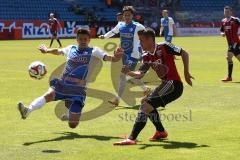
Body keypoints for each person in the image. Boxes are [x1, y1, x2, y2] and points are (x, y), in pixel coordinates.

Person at [17, 29, 123, 129]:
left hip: (78, 90)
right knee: (48, 95)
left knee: (73, 125)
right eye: (80, 39)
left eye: (85, 39)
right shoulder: (71, 48)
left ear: (89, 40)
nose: (83, 41)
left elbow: (110, 58)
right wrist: (47, 50)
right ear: (77, 39)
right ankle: (28, 110)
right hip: (62, 84)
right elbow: (58, 51)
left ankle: (69, 111)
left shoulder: (94, 51)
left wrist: (116, 57)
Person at [113, 28, 193, 145]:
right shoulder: (146, 56)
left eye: (141, 40)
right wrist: (128, 72)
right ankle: (161, 132)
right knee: (145, 102)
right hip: (166, 84)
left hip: (173, 84)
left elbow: (184, 53)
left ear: (150, 40)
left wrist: (186, 73)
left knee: (145, 106)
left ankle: (131, 138)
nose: (140, 43)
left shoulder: (165, 46)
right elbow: (139, 75)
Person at [99, 6, 150, 107]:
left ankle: (117, 99)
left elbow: (147, 37)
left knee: (123, 76)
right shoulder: (120, 25)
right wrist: (104, 36)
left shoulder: (138, 26)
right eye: (125, 15)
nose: (126, 17)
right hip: (125, 54)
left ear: (132, 16)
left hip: (134, 54)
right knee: (130, 75)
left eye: (129, 15)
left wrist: (146, 49)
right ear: (122, 15)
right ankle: (146, 89)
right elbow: (113, 32)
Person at [220, 6, 240, 82]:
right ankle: (229, 77)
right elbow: (221, 30)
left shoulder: (235, 20)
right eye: (225, 11)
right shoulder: (223, 21)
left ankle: (229, 77)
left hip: (235, 42)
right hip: (230, 43)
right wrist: (222, 33)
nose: (226, 13)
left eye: (227, 11)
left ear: (231, 12)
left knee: (229, 57)